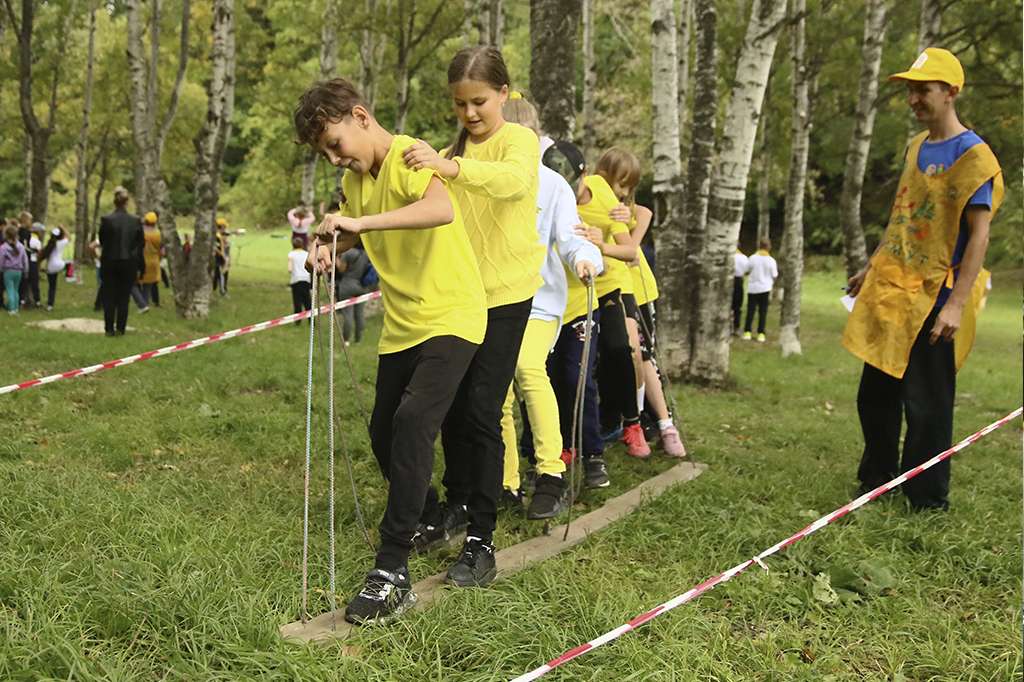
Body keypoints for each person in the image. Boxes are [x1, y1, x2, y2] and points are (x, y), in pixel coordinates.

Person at [295, 77, 486, 623]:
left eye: (335, 144)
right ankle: (429, 514)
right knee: (383, 430)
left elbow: (438, 208)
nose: (335, 158)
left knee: (412, 422)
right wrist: (329, 247)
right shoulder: (357, 182)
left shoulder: (407, 154)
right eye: (325, 153)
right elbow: (357, 229)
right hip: (403, 322)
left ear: (359, 116)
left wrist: (359, 222)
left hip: (452, 313)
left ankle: (391, 571)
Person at [401, 47, 544, 588]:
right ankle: (457, 503)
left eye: (479, 101)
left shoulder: (519, 142)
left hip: (507, 296)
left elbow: (511, 183)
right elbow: (421, 209)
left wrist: (452, 166)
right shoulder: (448, 150)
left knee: (483, 410)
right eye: (460, 104)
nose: (470, 114)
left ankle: (482, 542)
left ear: (504, 94)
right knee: (453, 411)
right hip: (457, 299)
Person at [843, 48, 1004, 511]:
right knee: (875, 393)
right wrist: (872, 265)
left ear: (951, 92)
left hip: (938, 290)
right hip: (893, 287)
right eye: (911, 90)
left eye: (924, 90)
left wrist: (956, 303)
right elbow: (902, 214)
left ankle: (926, 498)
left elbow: (979, 236)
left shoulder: (974, 156)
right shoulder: (916, 146)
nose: (914, 98)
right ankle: (876, 479)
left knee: (927, 401)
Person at [496, 97, 603, 520]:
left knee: (526, 368)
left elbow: (572, 236)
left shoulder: (553, 185)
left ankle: (551, 473)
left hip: (540, 302)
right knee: (496, 389)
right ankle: (505, 481)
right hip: (494, 301)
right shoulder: (485, 180)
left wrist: (585, 257)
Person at [576, 148, 648, 462]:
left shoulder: (608, 199)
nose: (623, 193)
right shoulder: (564, 192)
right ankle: (587, 430)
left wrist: (601, 243)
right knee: (583, 362)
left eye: (626, 188)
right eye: (621, 185)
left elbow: (629, 251)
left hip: (611, 284)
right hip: (576, 289)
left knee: (621, 348)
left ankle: (633, 423)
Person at [613, 197, 687, 458]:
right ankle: (630, 420)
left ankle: (662, 423)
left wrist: (618, 233)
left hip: (639, 291)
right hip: (611, 289)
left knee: (643, 357)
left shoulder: (625, 209)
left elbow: (642, 220)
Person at [99, 187, 145, 336]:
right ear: (127, 203)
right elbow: (140, 243)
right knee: (124, 297)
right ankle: (120, 328)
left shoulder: (106, 220)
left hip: (110, 261)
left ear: (114, 202)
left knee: (109, 295)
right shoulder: (135, 221)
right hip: (128, 262)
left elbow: (102, 240)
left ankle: (109, 328)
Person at [334, 244, 373, 344]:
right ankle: (358, 339)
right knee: (359, 314)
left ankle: (346, 340)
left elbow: (341, 269)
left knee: (348, 314)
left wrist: (337, 259)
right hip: (362, 286)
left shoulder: (348, 253)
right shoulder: (367, 254)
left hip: (348, 285)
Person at [742, 238, 778, 342]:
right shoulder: (771, 260)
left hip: (753, 288)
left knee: (750, 311)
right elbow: (775, 275)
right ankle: (761, 333)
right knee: (763, 312)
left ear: (759, 246)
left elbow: (746, 270)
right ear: (769, 247)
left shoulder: (752, 258)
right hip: (765, 288)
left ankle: (747, 332)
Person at [0, 225, 29, 315]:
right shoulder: (21, 246)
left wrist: (0, 269)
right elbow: (25, 259)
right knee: (16, 290)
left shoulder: (3, 247)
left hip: (8, 271)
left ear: (5, 235)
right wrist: (26, 270)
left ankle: (11, 309)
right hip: (19, 271)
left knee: (9, 290)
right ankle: (16, 308)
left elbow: (1, 259)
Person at [39, 226, 69, 311]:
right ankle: (69, 276)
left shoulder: (50, 244)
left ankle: (49, 305)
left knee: (51, 286)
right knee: (69, 263)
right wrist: (62, 227)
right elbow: (68, 236)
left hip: (50, 267)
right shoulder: (61, 243)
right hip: (59, 265)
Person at [138, 212, 163, 307]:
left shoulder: (141, 232)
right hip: (153, 261)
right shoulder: (158, 234)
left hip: (141, 260)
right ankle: (145, 302)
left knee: (136, 282)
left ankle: (141, 302)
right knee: (148, 285)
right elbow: (161, 249)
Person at [286, 236, 311, 326]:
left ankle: (298, 321)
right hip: (306, 279)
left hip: (296, 279)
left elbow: (290, 269)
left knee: (297, 301)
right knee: (307, 300)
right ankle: (311, 320)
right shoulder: (306, 254)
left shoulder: (291, 254)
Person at [22, 222, 43, 308]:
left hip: (25, 262)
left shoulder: (27, 237)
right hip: (33, 262)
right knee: (34, 283)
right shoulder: (36, 239)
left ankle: (23, 301)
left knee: (25, 282)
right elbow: (39, 253)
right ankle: (37, 301)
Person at [732, 244, 749, 335]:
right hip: (738, 281)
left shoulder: (728, 255)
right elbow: (747, 270)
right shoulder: (743, 258)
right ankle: (736, 326)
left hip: (728, 280)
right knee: (737, 306)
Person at [213, 218, 231, 295]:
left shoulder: (221, 236)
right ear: (221, 227)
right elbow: (216, 248)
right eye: (224, 227)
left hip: (221, 258)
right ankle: (223, 291)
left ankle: (218, 289)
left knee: (221, 274)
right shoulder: (216, 236)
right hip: (218, 259)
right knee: (220, 274)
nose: (225, 229)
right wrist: (223, 255)